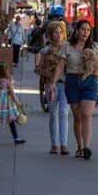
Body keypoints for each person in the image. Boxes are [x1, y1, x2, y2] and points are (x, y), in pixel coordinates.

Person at [51, 18, 98, 160]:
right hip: (72, 81)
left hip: (89, 81)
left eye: (88, 30)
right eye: (83, 29)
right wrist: (53, 83)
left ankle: (87, 148)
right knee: (77, 117)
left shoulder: (94, 47)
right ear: (77, 31)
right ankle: (80, 146)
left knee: (87, 115)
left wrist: (96, 76)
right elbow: (60, 66)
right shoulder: (67, 46)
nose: (85, 33)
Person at [37, 20, 70, 155]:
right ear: (50, 34)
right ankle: (54, 144)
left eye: (60, 32)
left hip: (65, 84)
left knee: (64, 113)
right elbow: (40, 69)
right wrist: (49, 74)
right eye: (55, 32)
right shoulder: (46, 50)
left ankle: (64, 144)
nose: (58, 35)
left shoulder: (68, 49)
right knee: (53, 114)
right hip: (51, 85)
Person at [0, 62, 26, 145]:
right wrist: (18, 103)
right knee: (11, 120)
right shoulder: (8, 82)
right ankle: (16, 138)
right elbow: (12, 94)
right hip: (6, 105)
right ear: (6, 70)